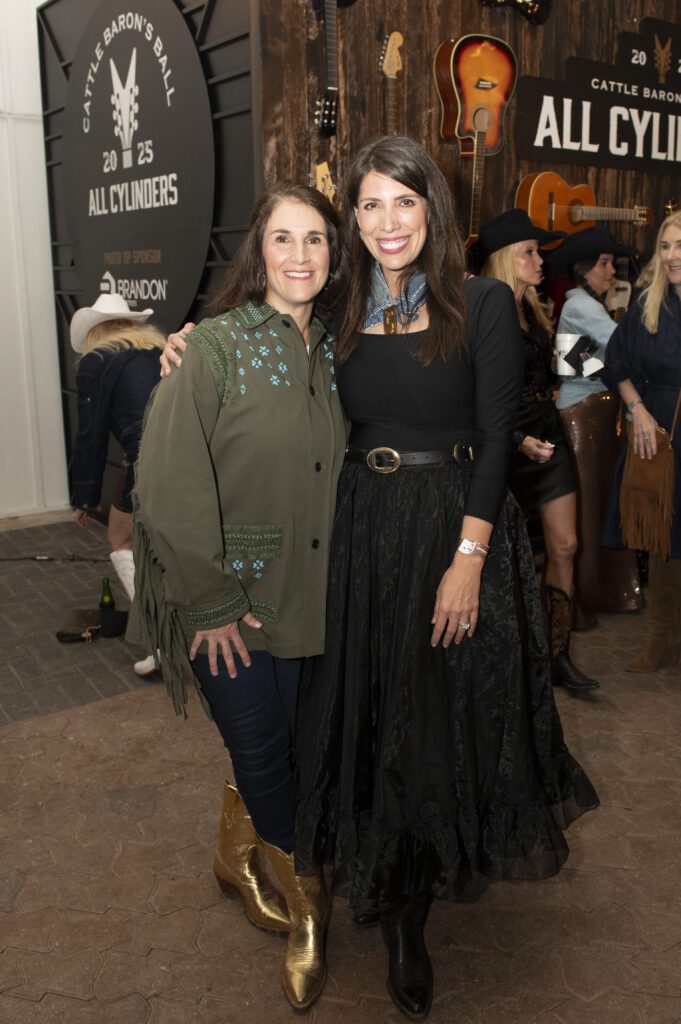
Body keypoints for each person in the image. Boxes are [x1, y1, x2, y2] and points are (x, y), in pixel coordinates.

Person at [293, 137, 598, 1020]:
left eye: (404, 202)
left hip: (453, 530)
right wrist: (187, 344)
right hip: (361, 531)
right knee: (373, 708)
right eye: (369, 205)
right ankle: (387, 889)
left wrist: (466, 562)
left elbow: (497, 439)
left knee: (437, 719)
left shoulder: (485, 302)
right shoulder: (336, 301)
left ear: (432, 209)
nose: (387, 222)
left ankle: (409, 913)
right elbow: (258, 333)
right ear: (351, 217)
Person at [130, 183, 348, 1010]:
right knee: (263, 751)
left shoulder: (333, 349)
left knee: (290, 744)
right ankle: (309, 911)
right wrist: (210, 602)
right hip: (229, 600)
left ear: (333, 258)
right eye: (284, 239)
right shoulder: (212, 348)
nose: (300, 255)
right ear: (259, 251)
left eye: (317, 240)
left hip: (311, 591)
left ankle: (236, 848)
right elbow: (166, 484)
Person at [475, 210, 598, 692]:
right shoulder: (486, 309)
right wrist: (513, 441)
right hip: (504, 448)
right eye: (529, 251)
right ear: (506, 259)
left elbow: (580, 363)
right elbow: (471, 394)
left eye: (538, 251)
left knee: (566, 546)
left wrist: (618, 359)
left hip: (548, 440)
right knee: (500, 564)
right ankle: (510, 663)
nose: (539, 259)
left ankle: (557, 655)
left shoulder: (537, 309)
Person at [547, 226, 642, 620]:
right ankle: (585, 595)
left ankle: (589, 594)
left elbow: (571, 362)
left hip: (588, 408)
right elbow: (622, 346)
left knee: (595, 503)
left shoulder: (580, 306)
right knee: (591, 505)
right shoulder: (582, 306)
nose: (612, 272)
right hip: (585, 413)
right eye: (605, 264)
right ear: (584, 269)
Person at [602, 210, 681, 671]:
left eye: (679, 246)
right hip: (660, 433)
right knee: (662, 534)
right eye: (666, 246)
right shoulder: (650, 302)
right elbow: (616, 362)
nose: (672, 256)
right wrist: (636, 409)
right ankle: (661, 636)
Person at [70, 293, 164, 675]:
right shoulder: (155, 348)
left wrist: (84, 496)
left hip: (148, 457)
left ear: (94, 331)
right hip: (190, 455)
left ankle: (161, 643)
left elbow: (91, 434)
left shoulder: (96, 360)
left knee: (121, 539)